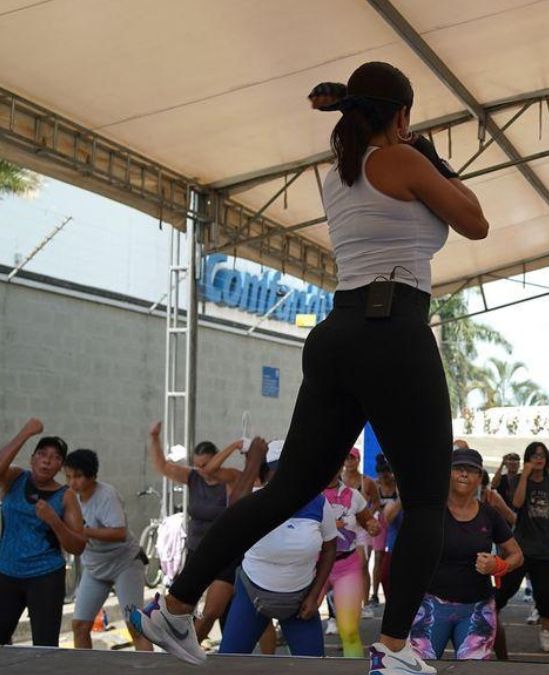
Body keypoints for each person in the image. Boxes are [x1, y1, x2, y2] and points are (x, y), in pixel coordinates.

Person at [129, 61, 489, 674]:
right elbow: (476, 222)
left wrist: (412, 147)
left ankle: (177, 604)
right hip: (394, 330)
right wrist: (426, 152)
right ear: (401, 115)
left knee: (289, 490)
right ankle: (396, 650)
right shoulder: (401, 161)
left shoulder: (338, 176)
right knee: (428, 501)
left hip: (338, 332)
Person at [220, 439, 337, 657]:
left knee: (313, 669)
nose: (286, 477)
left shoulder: (318, 504)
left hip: (300, 601)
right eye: (278, 470)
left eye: (292, 469)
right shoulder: (254, 498)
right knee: (228, 663)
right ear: (266, 473)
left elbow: (330, 548)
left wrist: (314, 595)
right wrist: (253, 461)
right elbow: (232, 513)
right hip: (252, 596)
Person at [408, 448, 522, 660]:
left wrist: (498, 565)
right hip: (432, 605)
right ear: (447, 473)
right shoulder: (431, 513)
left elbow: (516, 554)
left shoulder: (490, 515)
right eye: (458, 468)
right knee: (419, 669)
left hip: (476, 608)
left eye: (471, 470)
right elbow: (409, 554)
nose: (464, 474)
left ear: (479, 477)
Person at [147, 422, 243, 642]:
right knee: (184, 603)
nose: (203, 470)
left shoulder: (229, 478)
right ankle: (182, 642)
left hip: (223, 553)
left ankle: (203, 648)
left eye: (206, 464)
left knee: (216, 610)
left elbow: (217, 472)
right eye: (198, 465)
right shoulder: (194, 478)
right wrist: (154, 438)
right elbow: (163, 466)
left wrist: (234, 446)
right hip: (196, 550)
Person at [0, 420, 85, 646]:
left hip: (45, 576)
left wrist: (54, 521)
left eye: (56, 457)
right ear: (32, 459)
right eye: (42, 453)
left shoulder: (66, 496)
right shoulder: (16, 478)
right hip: (6, 572)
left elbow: (78, 546)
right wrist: (25, 433)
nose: (48, 460)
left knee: (45, 646)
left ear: (60, 468)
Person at [63, 448, 151, 651]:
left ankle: (150, 667)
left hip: (125, 563)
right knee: (80, 625)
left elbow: (119, 533)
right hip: (95, 567)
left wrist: (84, 531)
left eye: (78, 476)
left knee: (134, 626)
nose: (72, 482)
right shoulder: (69, 497)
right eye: (68, 476)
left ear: (92, 476)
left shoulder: (107, 495)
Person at [495, 442, 549, 653]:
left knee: (544, 594)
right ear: (527, 458)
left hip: (544, 547)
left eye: (542, 455)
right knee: (506, 588)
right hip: (522, 547)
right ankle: (487, 623)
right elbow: (516, 503)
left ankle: (546, 633)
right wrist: (524, 476)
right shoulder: (517, 479)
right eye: (534, 455)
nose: (538, 458)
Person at [323, 471, 383, 657]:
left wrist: (373, 526)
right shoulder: (306, 492)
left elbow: (367, 521)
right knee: (301, 623)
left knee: (349, 631)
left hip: (346, 565)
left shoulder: (353, 495)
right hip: (312, 565)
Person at [342, 447, 380, 610]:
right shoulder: (338, 480)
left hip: (363, 529)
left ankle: (365, 604)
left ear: (358, 460)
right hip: (344, 528)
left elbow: (377, 502)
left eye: (352, 458)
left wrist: (366, 516)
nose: (349, 462)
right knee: (343, 565)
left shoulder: (367, 482)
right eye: (347, 458)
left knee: (363, 564)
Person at [372, 456, 400, 606]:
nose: (385, 476)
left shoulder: (397, 484)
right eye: (382, 474)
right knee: (378, 556)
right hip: (381, 522)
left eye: (387, 473)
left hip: (396, 522)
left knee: (392, 560)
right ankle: (375, 593)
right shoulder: (376, 485)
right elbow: (370, 503)